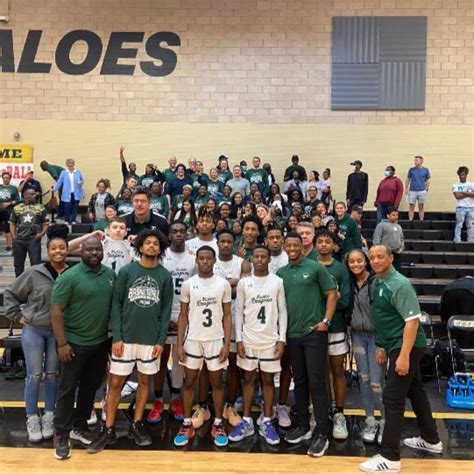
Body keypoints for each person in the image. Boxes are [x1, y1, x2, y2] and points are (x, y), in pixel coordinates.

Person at [87, 229, 173, 454]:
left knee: (145, 382)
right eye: (148, 243)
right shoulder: (126, 272)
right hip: (125, 338)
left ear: (160, 248)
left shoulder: (165, 276)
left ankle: (137, 424)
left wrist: (161, 342)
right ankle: (108, 428)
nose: (152, 246)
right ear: (140, 247)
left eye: (156, 243)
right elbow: (116, 306)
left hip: (150, 340)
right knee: (115, 383)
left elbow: (165, 313)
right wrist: (117, 336)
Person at [359, 245, 442, 473]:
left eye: (380, 257)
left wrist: (403, 355)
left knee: (392, 398)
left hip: (406, 346)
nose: (375, 261)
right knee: (415, 391)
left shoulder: (400, 284)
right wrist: (381, 345)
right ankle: (431, 440)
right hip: (394, 345)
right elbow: (386, 318)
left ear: (391, 258)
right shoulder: (380, 281)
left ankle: (390, 458)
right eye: (372, 257)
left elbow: (413, 321)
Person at [51, 238, 116, 460]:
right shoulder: (69, 277)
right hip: (73, 343)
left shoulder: (109, 275)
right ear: (81, 252)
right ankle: (61, 435)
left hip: (99, 343)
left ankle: (79, 428)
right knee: (67, 390)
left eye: (98, 249)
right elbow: (56, 311)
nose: (94, 253)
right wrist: (62, 343)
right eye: (89, 249)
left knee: (90, 387)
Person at [4, 225, 69, 443]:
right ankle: (32, 417)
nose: (58, 251)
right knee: (33, 375)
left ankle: (49, 414)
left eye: (62, 248)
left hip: (56, 333)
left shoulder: (72, 273)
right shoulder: (34, 272)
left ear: (67, 250)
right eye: (53, 249)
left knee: (52, 374)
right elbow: (11, 294)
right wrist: (16, 315)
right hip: (34, 330)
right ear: (47, 251)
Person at [277, 233, 337, 457]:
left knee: (316, 382)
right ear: (284, 247)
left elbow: (332, 294)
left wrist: (326, 321)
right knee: (299, 380)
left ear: (302, 246)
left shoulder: (315, 268)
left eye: (296, 244)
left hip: (314, 334)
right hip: (292, 335)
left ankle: (322, 432)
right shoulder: (281, 273)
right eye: (288, 245)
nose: (292, 248)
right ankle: (302, 425)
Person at [174, 246, 232, 447]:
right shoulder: (189, 284)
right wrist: (179, 343)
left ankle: (218, 422)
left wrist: (226, 342)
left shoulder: (223, 284)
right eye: (201, 258)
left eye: (209, 258)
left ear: (214, 260)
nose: (205, 262)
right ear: (196, 261)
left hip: (215, 339)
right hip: (193, 340)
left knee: (217, 383)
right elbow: (183, 315)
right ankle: (187, 423)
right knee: (189, 382)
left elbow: (227, 315)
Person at [229, 246, 287, 445]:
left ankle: (268, 420)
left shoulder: (277, 281)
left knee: (268, 381)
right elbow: (237, 312)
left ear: (269, 259)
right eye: (257, 256)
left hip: (270, 339)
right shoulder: (245, 283)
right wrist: (239, 339)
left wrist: (282, 339)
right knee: (248, 380)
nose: (260, 259)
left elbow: (282, 312)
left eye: (264, 256)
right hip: (249, 339)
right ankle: (246, 421)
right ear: (251, 259)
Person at [147, 222, 196, 424]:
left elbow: (196, 289)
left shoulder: (193, 257)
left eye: (181, 231)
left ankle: (176, 399)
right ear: (168, 235)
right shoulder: (161, 256)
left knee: (179, 361)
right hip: (161, 315)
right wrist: (163, 318)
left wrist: (185, 318)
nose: (178, 234)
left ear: (187, 234)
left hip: (185, 315)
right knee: (159, 359)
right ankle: (158, 399)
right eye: (174, 231)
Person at [346, 249, 385, 445]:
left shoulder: (376, 281)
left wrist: (384, 343)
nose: (355, 265)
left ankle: (385, 421)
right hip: (357, 336)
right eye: (351, 262)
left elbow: (385, 312)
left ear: (366, 261)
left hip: (376, 337)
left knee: (377, 382)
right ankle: (370, 419)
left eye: (359, 261)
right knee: (364, 379)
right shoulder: (350, 283)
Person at [315, 229, 351, 440]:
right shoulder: (309, 264)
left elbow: (344, 300)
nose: (323, 245)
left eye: (327, 241)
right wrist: (331, 296)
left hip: (335, 327)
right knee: (317, 373)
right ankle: (318, 412)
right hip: (313, 327)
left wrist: (327, 300)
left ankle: (339, 413)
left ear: (333, 245)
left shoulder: (340, 269)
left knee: (337, 369)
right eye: (320, 241)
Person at [213, 229, 251, 426]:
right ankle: (208, 404)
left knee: (234, 364)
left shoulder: (242, 263)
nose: (226, 244)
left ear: (233, 243)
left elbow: (243, 290)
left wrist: (220, 287)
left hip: (236, 318)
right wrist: (233, 284)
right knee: (212, 365)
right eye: (222, 241)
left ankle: (229, 404)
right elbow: (207, 286)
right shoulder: (210, 260)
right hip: (212, 320)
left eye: (229, 241)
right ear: (217, 243)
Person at [265, 224, 292, 428]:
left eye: (277, 237)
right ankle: (264, 401)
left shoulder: (288, 259)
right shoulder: (260, 257)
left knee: (284, 364)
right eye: (271, 237)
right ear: (266, 240)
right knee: (262, 365)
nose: (274, 240)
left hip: (285, 317)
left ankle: (282, 405)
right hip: (264, 320)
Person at [9, 188, 49, 276]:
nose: (35, 195)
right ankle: (19, 285)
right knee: (18, 265)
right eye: (32, 194)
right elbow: (12, 223)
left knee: (36, 264)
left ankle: (36, 284)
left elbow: (45, 223)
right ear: (26, 195)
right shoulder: (17, 208)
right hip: (19, 239)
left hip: (33, 239)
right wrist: (14, 236)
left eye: (35, 194)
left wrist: (41, 234)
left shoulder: (41, 208)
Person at [53, 158, 85, 224]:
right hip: (67, 193)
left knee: (75, 207)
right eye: (69, 164)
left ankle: (73, 220)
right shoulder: (63, 173)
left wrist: (81, 182)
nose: (70, 166)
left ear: (74, 164)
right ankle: (67, 220)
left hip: (76, 192)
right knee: (67, 206)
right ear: (67, 165)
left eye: (72, 164)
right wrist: (54, 189)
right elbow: (59, 182)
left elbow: (82, 180)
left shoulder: (78, 172)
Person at [0, 171, 21, 253]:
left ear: (10, 179)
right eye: (4, 178)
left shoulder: (14, 188)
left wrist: (9, 203)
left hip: (9, 211)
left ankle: (9, 246)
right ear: (2, 178)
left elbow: (18, 200)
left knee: (8, 228)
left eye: (7, 178)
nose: (5, 179)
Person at [452, 166, 474, 243]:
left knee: (471, 226)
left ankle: (471, 240)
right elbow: (457, 196)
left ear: (466, 175)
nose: (462, 176)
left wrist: (463, 192)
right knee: (459, 225)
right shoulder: (455, 185)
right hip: (460, 208)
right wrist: (469, 193)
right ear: (459, 175)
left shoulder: (472, 184)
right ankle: (457, 240)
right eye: (461, 175)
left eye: (464, 174)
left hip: (471, 207)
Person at [406, 155, 431, 222]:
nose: (415, 161)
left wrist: (427, 188)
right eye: (415, 160)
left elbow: (428, 179)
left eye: (416, 160)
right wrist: (406, 188)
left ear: (421, 161)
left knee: (421, 206)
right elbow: (408, 179)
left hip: (422, 190)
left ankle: (421, 220)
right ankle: (410, 220)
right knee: (411, 206)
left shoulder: (425, 170)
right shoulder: (411, 170)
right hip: (412, 190)